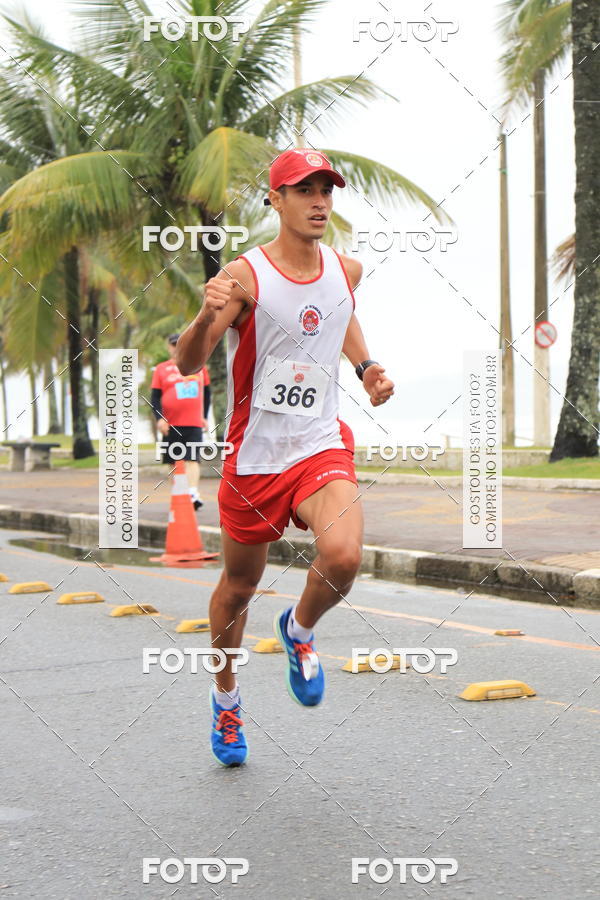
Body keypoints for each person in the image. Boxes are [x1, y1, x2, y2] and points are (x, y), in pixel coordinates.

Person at [176, 148, 394, 766]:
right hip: (255, 457)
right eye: (304, 190)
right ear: (276, 200)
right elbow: (191, 364)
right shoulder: (245, 277)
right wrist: (205, 311)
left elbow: (337, 314)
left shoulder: (345, 269)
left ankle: (299, 631)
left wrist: (366, 366)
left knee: (345, 554)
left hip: (319, 443)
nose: (319, 200)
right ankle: (226, 700)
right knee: (239, 586)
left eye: (327, 189)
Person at [150, 333, 211, 510]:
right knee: (173, 460)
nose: (177, 347)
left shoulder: (199, 367)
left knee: (192, 459)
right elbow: (155, 398)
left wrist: (204, 416)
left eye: (180, 344)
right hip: (170, 424)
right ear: (169, 347)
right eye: (174, 345)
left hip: (193, 422)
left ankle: (192, 493)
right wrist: (159, 419)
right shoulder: (161, 369)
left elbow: (207, 394)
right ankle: (180, 494)